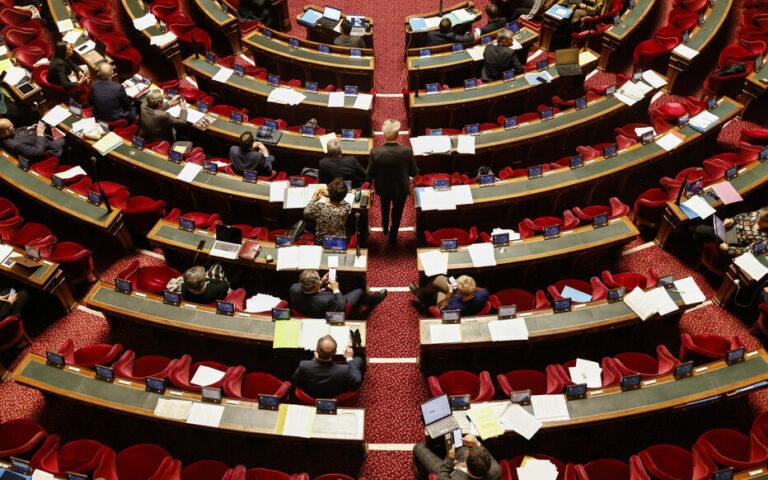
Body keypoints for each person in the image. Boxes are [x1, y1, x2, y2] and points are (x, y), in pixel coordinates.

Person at [366, 119, 418, 245]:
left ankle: (384, 227)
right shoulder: (406, 151)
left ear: (384, 134)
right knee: (398, 212)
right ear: (398, 133)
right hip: (400, 188)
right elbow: (414, 172)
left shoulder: (375, 152)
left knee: (384, 206)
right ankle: (393, 235)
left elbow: (369, 174)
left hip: (383, 187)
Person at [289, 269, 386, 318]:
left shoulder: (293, 288)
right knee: (359, 291)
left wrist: (322, 283)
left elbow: (312, 291)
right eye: (319, 278)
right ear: (315, 285)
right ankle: (373, 300)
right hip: (324, 314)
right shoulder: (328, 299)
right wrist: (336, 290)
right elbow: (341, 308)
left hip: (306, 311)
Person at [292, 335, 363, 399]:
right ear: (335, 352)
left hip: (312, 395)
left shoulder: (304, 366)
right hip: (337, 395)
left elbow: (296, 381)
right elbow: (356, 382)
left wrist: (314, 360)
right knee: (358, 359)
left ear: (316, 350)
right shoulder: (344, 370)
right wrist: (349, 359)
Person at [413, 434, 502, 480]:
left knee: (418, 447)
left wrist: (449, 459)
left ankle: (421, 475)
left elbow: (442, 477)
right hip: (463, 468)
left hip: (450, 472)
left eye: (468, 453)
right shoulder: (497, 470)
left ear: (467, 462)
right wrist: (477, 443)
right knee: (462, 448)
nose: (467, 452)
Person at [303, 178, 352, 245]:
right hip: (339, 242)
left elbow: (306, 213)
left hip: (321, 242)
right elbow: (341, 198)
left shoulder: (319, 207)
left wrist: (313, 200)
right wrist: (330, 194)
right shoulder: (347, 206)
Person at [409, 275, 489, 315]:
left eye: (457, 281)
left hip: (448, 303)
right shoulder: (483, 294)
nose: (456, 280)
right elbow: (482, 290)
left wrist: (450, 293)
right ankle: (422, 293)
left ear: (459, 291)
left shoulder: (454, 306)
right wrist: (468, 287)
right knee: (439, 279)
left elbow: (442, 308)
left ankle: (421, 296)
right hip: (464, 295)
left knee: (439, 291)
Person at [0, 118, 66, 162]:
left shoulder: (4, 134)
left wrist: (29, 128)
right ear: (7, 132)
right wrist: (40, 135)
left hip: (39, 137)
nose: (13, 126)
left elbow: (16, 130)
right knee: (66, 139)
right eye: (11, 126)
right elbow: (38, 153)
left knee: (47, 122)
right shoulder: (15, 145)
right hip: (47, 147)